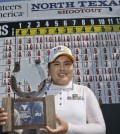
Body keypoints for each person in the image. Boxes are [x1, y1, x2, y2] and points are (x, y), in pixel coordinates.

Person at [0, 45, 106, 134]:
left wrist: (68, 128)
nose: (62, 68)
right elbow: (27, 131)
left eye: (67, 63)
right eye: (56, 64)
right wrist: (11, 120)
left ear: (73, 68)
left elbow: (101, 129)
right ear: (49, 70)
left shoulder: (85, 92)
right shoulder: (36, 95)